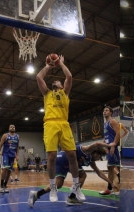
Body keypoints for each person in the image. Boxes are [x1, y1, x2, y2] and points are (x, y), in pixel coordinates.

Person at [36, 55, 85, 202]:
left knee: (72, 155)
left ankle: (76, 187)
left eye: (58, 81)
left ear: (62, 86)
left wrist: (61, 63)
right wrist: (49, 66)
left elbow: (69, 76)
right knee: (51, 157)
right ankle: (52, 188)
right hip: (50, 124)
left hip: (63, 123)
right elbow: (39, 77)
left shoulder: (65, 93)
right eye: (54, 81)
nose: (54, 81)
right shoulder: (47, 94)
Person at [28, 142, 118, 207]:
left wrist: (111, 183)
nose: (99, 158)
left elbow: (99, 172)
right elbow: (97, 144)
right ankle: (72, 197)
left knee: (58, 184)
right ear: (95, 153)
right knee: (83, 175)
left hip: (61, 162)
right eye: (99, 156)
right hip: (64, 158)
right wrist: (110, 145)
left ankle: (36, 194)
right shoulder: (86, 150)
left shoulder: (91, 161)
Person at [100, 106, 120, 195]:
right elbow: (106, 137)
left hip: (113, 147)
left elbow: (118, 133)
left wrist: (113, 145)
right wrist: (103, 145)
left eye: (107, 110)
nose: (105, 111)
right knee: (110, 167)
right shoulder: (105, 124)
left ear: (111, 112)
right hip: (108, 147)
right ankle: (109, 189)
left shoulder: (113, 121)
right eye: (104, 110)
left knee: (118, 167)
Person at [0, 124, 20, 193]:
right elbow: (0, 144)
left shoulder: (17, 136)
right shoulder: (5, 135)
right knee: (5, 168)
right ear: (9, 128)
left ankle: (4, 185)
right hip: (6, 154)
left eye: (13, 127)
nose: (12, 128)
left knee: (9, 171)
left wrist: (17, 155)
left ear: (15, 129)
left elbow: (17, 146)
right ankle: (1, 185)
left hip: (12, 155)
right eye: (11, 127)